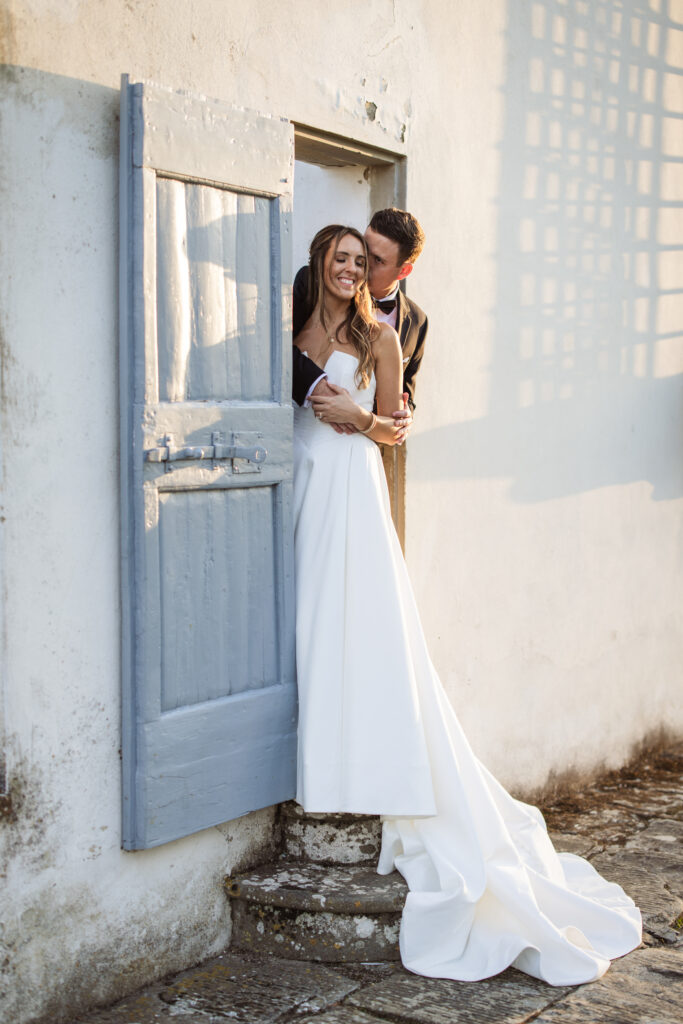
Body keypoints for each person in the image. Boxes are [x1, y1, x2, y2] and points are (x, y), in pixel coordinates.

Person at [293, 223, 642, 987]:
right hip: (296, 474)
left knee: (352, 616)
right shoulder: (295, 319)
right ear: (320, 261)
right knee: (299, 616)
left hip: (350, 483)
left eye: (363, 260)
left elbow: (392, 428)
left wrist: (357, 419)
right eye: (342, 258)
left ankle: (357, 751)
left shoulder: (383, 335)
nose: (352, 269)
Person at [292, 208, 428, 443]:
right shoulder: (312, 281)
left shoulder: (416, 323)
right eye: (365, 248)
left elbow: (404, 396)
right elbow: (279, 350)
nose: (360, 264)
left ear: (403, 270)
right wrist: (315, 385)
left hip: (358, 451)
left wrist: (405, 418)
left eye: (377, 260)